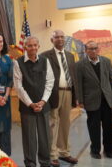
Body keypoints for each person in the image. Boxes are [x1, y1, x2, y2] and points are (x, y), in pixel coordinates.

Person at [13, 36, 55, 167]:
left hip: (44, 106)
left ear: (38, 46)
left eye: (35, 45)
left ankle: (45, 162)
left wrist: (42, 101)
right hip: (27, 107)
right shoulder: (18, 63)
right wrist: (30, 103)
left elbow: (50, 81)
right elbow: (18, 86)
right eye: (29, 46)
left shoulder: (45, 61)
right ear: (25, 47)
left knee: (45, 137)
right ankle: (30, 163)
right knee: (29, 138)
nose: (32, 48)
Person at [76, 41, 112, 159]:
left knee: (108, 127)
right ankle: (95, 150)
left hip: (107, 99)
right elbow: (78, 84)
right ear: (86, 50)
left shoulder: (106, 61)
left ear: (99, 49)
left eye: (95, 48)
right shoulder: (80, 65)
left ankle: (109, 150)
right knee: (93, 127)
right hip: (91, 100)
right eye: (90, 49)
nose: (93, 51)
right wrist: (80, 100)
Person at [41, 30, 78, 166]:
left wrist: (76, 95)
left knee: (65, 123)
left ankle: (64, 152)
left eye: (62, 36)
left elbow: (73, 76)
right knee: (53, 123)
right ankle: (53, 154)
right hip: (53, 93)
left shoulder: (70, 56)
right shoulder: (45, 56)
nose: (60, 39)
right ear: (52, 40)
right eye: (57, 37)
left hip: (68, 92)